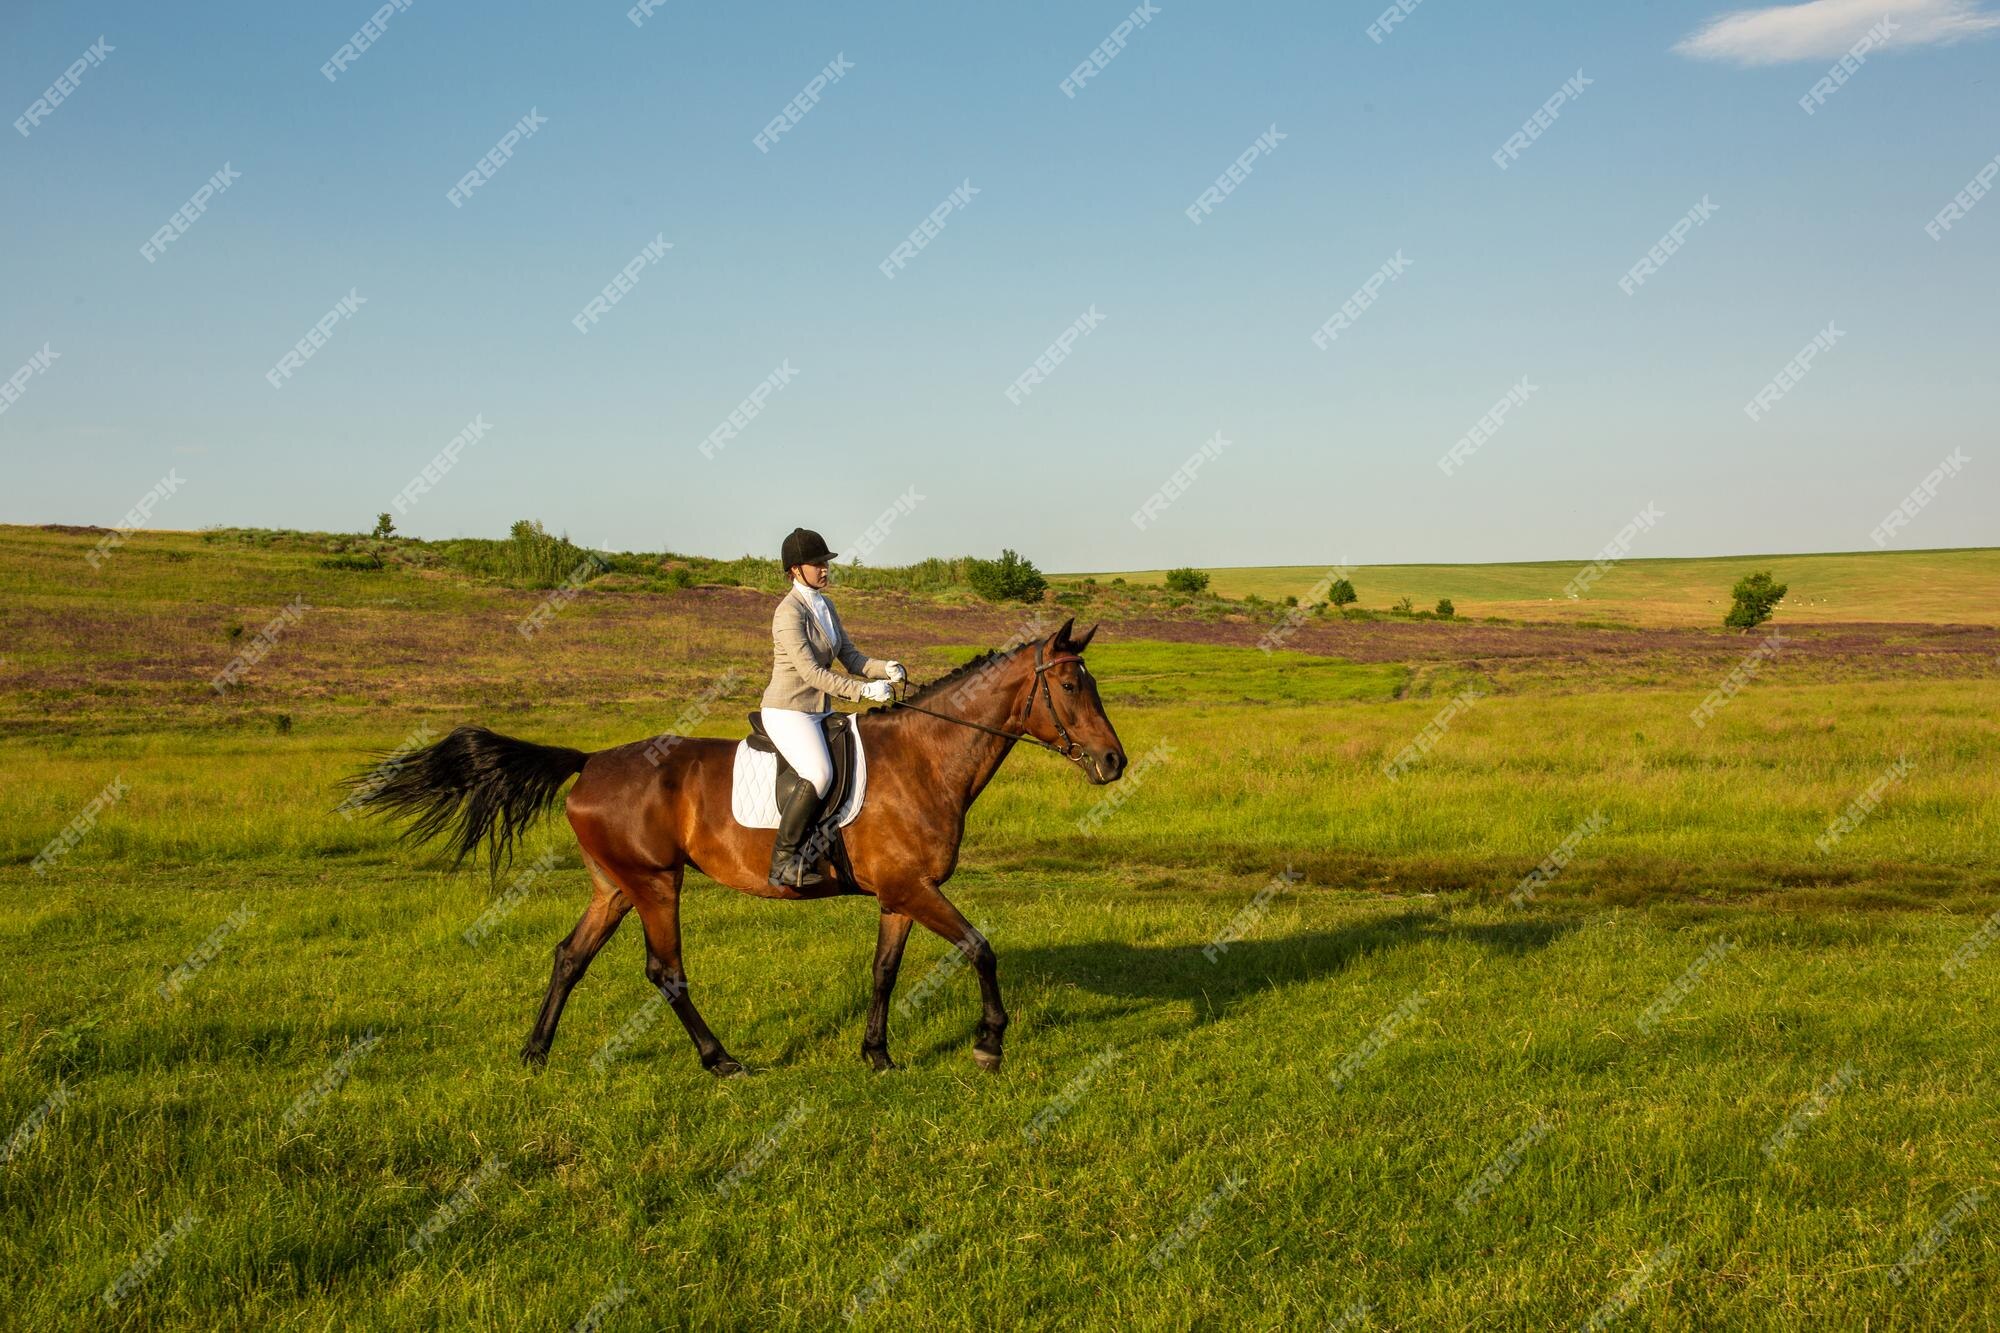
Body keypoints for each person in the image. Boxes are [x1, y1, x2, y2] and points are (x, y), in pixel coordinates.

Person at [761, 527, 906, 888]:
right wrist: (864, 692)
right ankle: (783, 860)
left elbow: (851, 657)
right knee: (820, 773)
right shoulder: (788, 613)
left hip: (818, 711)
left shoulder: (825, 606)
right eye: (817, 564)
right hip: (789, 710)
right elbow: (811, 673)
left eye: (826, 563)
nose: (825, 569)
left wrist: (883, 667)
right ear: (795, 569)